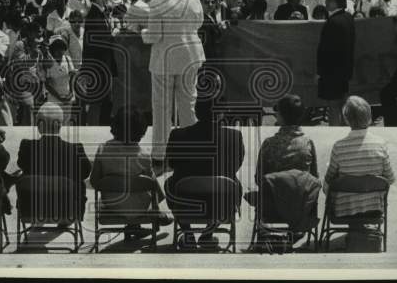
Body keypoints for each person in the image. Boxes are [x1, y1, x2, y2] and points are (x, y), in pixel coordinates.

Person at [142, 0, 205, 166]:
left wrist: (141, 31)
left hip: (164, 59)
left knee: (161, 109)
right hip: (189, 55)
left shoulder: (157, 1)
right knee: (188, 105)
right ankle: (190, 153)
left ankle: (160, 155)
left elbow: (153, 36)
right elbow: (199, 22)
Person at [165, 96, 244, 250]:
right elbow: (235, 165)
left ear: (196, 111)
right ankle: (208, 233)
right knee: (233, 184)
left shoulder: (178, 136)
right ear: (221, 113)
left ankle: (187, 233)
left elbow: (172, 163)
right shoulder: (234, 137)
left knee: (170, 183)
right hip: (221, 201)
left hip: (186, 201)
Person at [89, 107, 170, 241]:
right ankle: (155, 213)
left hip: (112, 203)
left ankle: (136, 225)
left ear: (114, 126)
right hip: (140, 206)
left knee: (128, 188)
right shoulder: (144, 155)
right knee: (147, 181)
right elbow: (151, 185)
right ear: (141, 132)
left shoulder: (103, 150)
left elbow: (94, 181)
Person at [251, 94, 320, 246]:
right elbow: (314, 177)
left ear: (280, 117)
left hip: (272, 208)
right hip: (301, 208)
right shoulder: (308, 144)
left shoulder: (269, 144)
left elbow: (258, 178)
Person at [323, 96, 395, 218]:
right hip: (374, 209)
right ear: (369, 117)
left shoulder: (339, 146)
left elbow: (329, 178)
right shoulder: (381, 145)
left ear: (346, 119)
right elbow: (390, 178)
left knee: (330, 177)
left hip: (344, 209)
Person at [17, 102, 92, 217]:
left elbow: (22, 165)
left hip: (32, 209)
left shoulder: (27, 147)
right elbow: (85, 173)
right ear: (60, 125)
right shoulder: (76, 149)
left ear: (40, 125)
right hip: (68, 209)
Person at [316, 0, 355, 126]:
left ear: (337, 2)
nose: (326, 2)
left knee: (333, 108)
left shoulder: (333, 22)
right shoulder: (348, 18)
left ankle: (335, 136)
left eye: (329, 0)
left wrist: (320, 72)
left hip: (332, 73)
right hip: (345, 72)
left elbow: (326, 51)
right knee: (343, 106)